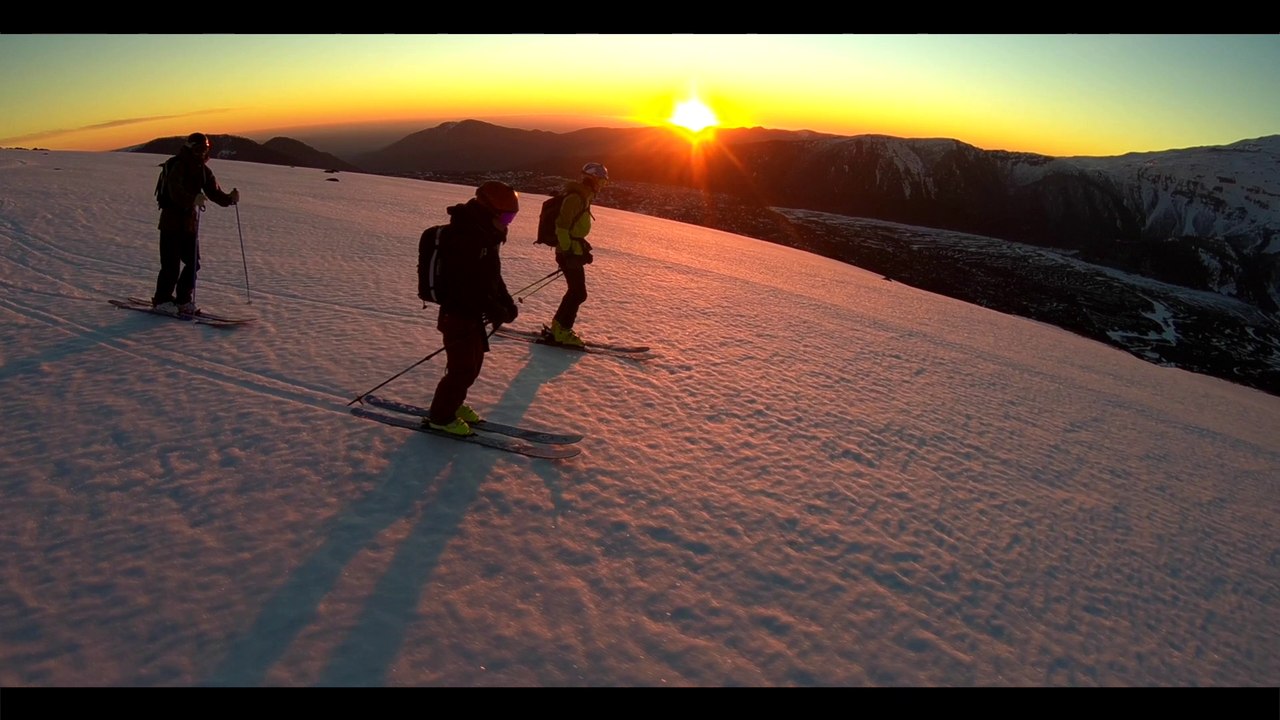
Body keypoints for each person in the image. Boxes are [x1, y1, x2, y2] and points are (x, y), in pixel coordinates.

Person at [424, 181, 521, 436]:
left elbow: (492, 276)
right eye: (507, 217)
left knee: (472, 365)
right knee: (462, 369)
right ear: (489, 210)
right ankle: (441, 417)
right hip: (457, 314)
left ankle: (453, 404)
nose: (508, 223)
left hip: (472, 313)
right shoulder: (466, 237)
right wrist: (494, 308)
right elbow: (463, 286)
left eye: (512, 217)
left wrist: (506, 302)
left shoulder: (486, 234)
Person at [152, 132, 240, 315]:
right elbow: (175, 191)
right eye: (199, 149)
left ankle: (183, 300)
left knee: (193, 264)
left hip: (189, 224)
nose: (202, 153)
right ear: (190, 148)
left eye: (205, 149)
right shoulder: (178, 165)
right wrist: (193, 199)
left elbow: (213, 192)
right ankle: (162, 300)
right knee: (171, 266)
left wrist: (229, 199)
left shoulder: (202, 170)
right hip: (171, 223)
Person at [545, 161, 609, 347]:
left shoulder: (583, 196)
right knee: (578, 293)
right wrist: (568, 252)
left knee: (576, 292)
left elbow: (574, 229)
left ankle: (559, 328)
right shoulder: (576, 198)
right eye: (602, 180)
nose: (603, 184)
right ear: (594, 179)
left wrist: (581, 249)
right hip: (567, 251)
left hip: (572, 249)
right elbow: (562, 227)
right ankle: (561, 331)